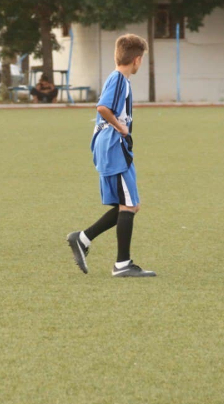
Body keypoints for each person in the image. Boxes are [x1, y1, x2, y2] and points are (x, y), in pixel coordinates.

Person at [66, 34, 156, 277]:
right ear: (136, 60)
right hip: (114, 147)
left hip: (117, 149)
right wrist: (120, 126)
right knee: (128, 205)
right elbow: (103, 107)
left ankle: (82, 238)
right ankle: (122, 265)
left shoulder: (119, 80)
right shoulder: (118, 80)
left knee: (130, 205)